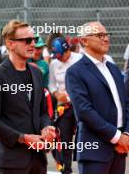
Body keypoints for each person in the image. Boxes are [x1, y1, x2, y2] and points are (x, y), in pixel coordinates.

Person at [0, 20, 56, 174]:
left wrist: (46, 127)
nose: (33, 44)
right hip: (12, 161)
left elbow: (42, 111)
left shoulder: (36, 72)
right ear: (10, 44)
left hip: (38, 160)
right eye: (27, 40)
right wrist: (22, 138)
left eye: (34, 40)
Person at [66, 21, 129, 174]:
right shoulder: (75, 72)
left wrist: (126, 134)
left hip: (120, 150)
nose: (106, 39)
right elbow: (84, 111)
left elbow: (126, 103)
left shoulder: (113, 69)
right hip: (94, 151)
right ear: (84, 41)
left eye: (106, 35)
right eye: (100, 35)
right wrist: (117, 137)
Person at [48, 37, 82, 174]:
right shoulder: (54, 64)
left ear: (68, 50)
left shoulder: (80, 59)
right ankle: (65, 170)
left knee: (83, 138)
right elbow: (50, 84)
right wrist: (56, 93)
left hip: (80, 105)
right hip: (64, 107)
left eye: (61, 55)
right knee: (64, 138)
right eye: (57, 56)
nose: (59, 58)